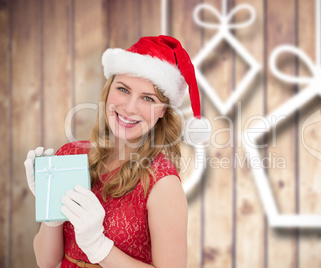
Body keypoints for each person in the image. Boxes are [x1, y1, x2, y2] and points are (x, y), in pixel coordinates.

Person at [24, 35, 209, 268]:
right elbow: (46, 262)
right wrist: (49, 209)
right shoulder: (71, 154)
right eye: (123, 89)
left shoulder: (162, 183)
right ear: (108, 89)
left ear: (163, 111)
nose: (130, 108)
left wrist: (99, 247)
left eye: (148, 98)